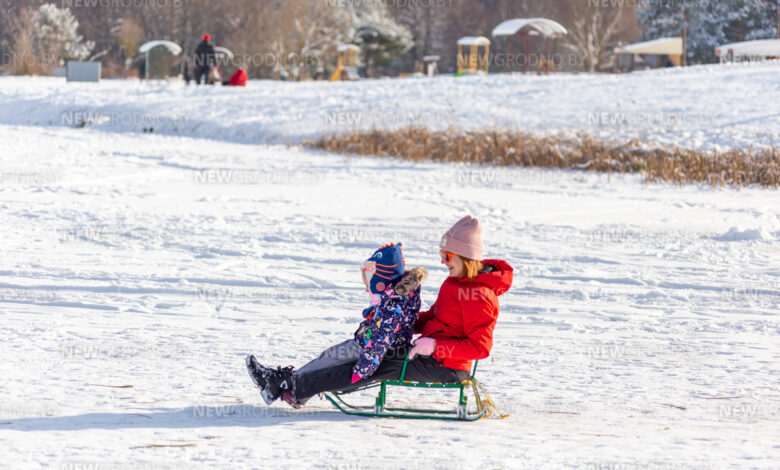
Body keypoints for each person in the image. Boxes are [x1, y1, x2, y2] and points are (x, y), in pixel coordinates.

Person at [246, 216, 513, 409]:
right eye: (441, 256)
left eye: (447, 257)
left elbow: (480, 348)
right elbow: (435, 317)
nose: (442, 263)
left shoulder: (480, 295)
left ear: (465, 257)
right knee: (360, 353)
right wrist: (399, 320)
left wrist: (434, 346)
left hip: (446, 367)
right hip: (428, 355)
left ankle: (291, 388)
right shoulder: (454, 283)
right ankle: (289, 384)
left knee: (371, 365)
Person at [246, 243, 428, 408]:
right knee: (327, 358)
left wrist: (363, 370)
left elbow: (381, 340)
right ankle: (283, 386)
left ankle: (280, 384)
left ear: (380, 281)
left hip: (368, 348)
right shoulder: (398, 297)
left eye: (369, 285)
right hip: (369, 344)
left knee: (329, 361)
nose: (367, 289)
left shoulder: (392, 305)